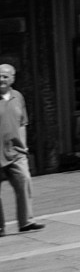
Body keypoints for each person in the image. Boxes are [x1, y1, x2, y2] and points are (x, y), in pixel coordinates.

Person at [0, 65, 40, 234]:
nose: (1, 79)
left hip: (15, 150)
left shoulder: (18, 97)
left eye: (5, 76)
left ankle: (26, 221)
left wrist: (23, 146)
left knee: (24, 180)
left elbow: (23, 123)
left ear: (13, 78)